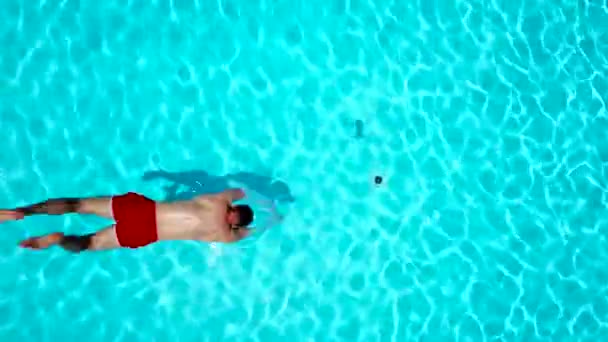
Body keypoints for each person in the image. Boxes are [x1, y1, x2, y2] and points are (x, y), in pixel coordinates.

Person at [0, 189, 254, 253]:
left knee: (79, 204)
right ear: (234, 223)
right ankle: (57, 239)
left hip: (143, 209)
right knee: (89, 243)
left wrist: (241, 196)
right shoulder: (225, 235)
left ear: (233, 208)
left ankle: (19, 211)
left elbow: (238, 192)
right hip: (147, 232)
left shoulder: (218, 201)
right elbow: (246, 234)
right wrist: (242, 230)